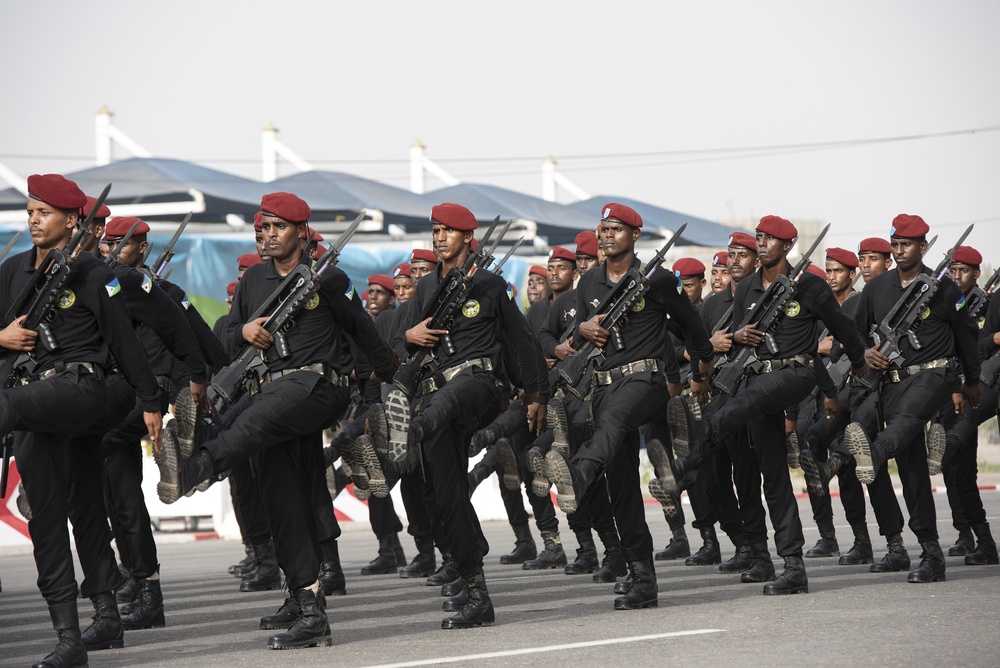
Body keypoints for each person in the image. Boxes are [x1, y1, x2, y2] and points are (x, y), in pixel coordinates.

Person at [155, 191, 395, 649]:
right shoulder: (253, 283)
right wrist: (241, 329)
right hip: (273, 395)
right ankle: (307, 604)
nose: (267, 235)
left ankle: (195, 468)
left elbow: (364, 331)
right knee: (282, 498)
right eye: (263, 227)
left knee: (247, 426)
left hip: (316, 387)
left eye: (277, 227)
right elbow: (227, 339)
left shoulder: (328, 279)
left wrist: (387, 380)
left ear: (302, 234)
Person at [0, 174, 163, 667]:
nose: (33, 220)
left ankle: (98, 619)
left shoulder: (93, 273)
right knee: (63, 515)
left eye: (43, 212)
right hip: (33, 403)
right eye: (29, 211)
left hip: (82, 388)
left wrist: (152, 399)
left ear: (72, 220)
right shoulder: (10, 270)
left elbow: (125, 340)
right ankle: (81, 631)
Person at [668, 215, 869, 595]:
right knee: (772, 474)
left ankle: (694, 445)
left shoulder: (809, 286)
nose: (761, 243)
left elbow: (844, 330)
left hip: (795, 373)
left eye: (769, 239)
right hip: (756, 379)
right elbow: (746, 345)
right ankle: (788, 565)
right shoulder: (745, 289)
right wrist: (735, 340)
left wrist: (858, 366)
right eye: (759, 237)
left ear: (787, 245)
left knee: (746, 404)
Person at [545, 203, 714, 610]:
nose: (605, 235)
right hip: (604, 385)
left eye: (615, 229)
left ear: (634, 236)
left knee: (618, 419)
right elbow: (579, 337)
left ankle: (582, 471)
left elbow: (691, 328)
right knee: (621, 485)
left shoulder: (657, 280)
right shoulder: (588, 285)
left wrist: (699, 374)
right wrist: (582, 328)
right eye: (602, 229)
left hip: (648, 380)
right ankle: (642, 577)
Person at [397, 202, 544, 628]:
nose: (439, 237)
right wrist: (410, 335)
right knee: (447, 498)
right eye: (435, 231)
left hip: (478, 385)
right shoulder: (426, 290)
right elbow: (398, 346)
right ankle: (476, 593)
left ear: (467, 237)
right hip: (437, 394)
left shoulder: (491, 286)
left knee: (441, 407)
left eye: (447, 231)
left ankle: (410, 430)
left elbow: (522, 342)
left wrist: (536, 393)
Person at [847, 214, 981, 584]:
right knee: (911, 469)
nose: (900, 250)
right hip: (890, 381)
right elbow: (855, 333)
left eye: (907, 245)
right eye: (896, 244)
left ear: (923, 247)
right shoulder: (877, 289)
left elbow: (967, 336)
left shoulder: (944, 290)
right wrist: (865, 353)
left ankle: (872, 454)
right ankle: (929, 553)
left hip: (933, 375)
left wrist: (971, 380)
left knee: (906, 421)